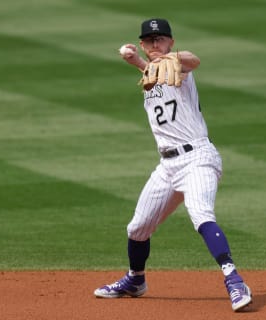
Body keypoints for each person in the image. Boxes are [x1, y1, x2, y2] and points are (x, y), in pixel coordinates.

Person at [93, 18, 252, 312]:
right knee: (137, 229)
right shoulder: (151, 73)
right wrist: (135, 61)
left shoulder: (179, 67)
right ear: (143, 43)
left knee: (202, 216)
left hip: (198, 159)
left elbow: (194, 60)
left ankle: (234, 280)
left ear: (171, 41)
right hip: (167, 166)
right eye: (150, 40)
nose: (156, 44)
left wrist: (168, 57)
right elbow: (152, 73)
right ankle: (135, 280)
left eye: (161, 39)